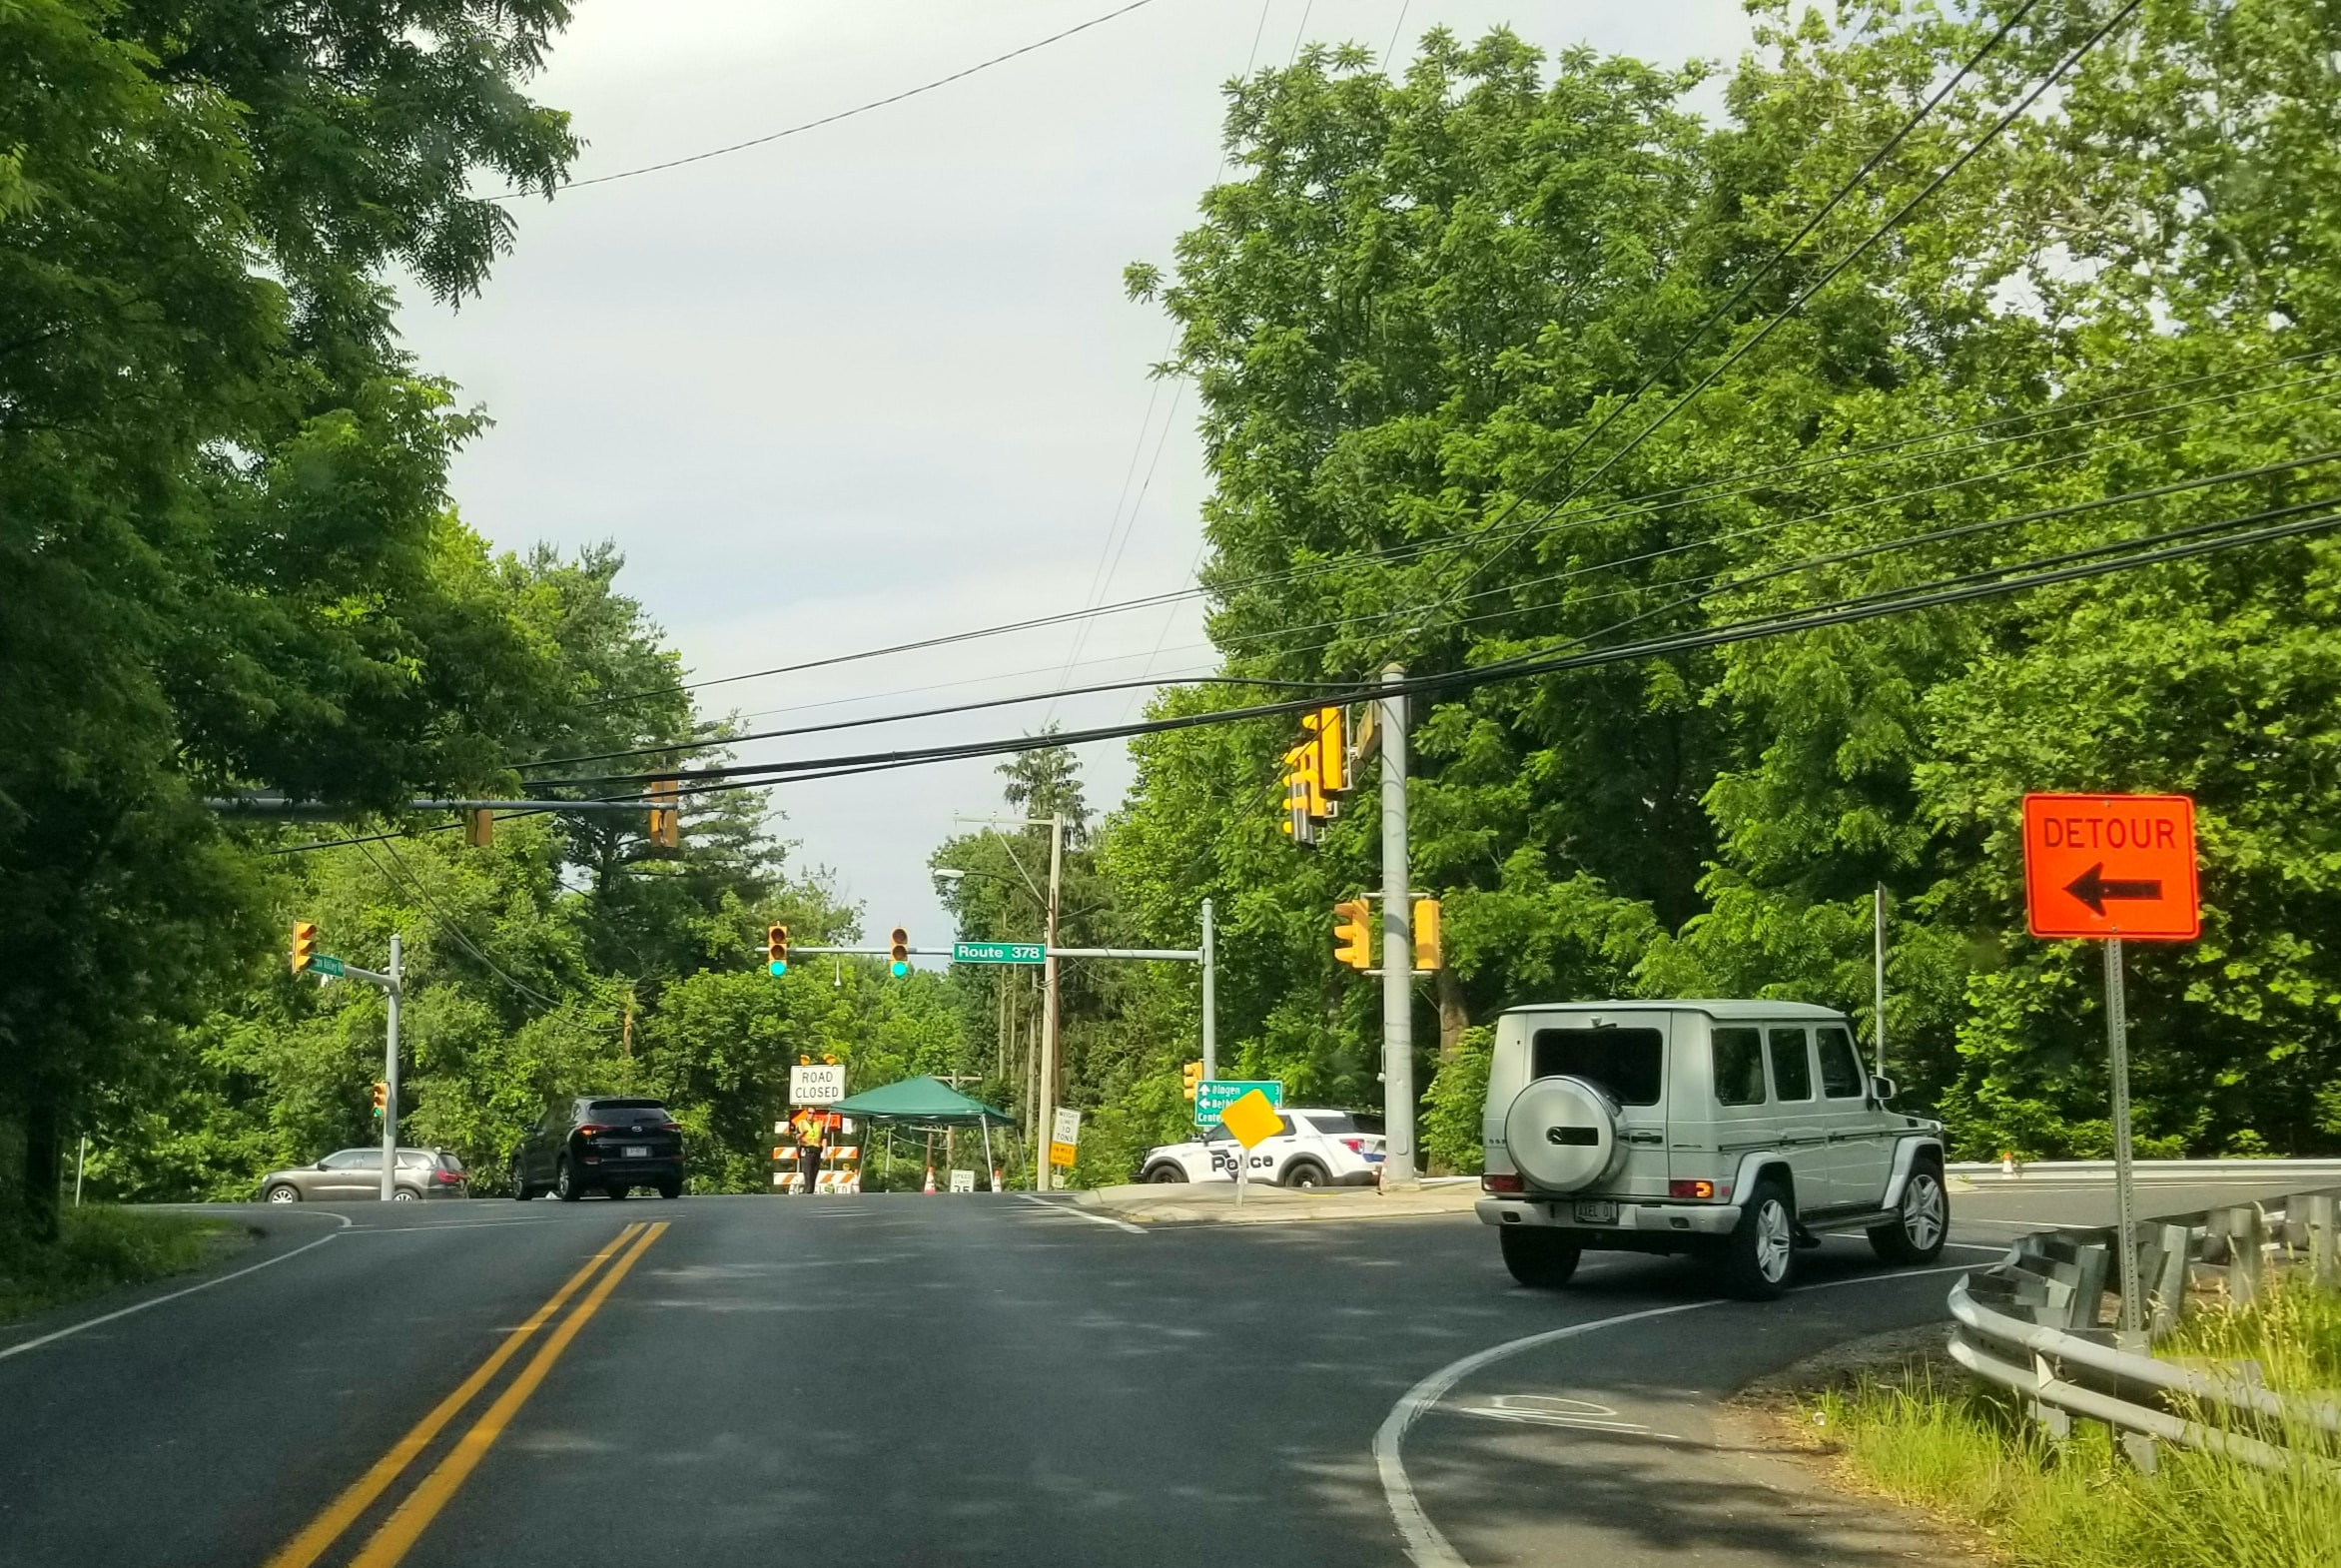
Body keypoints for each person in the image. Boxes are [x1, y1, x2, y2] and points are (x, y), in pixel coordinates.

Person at [796, 1115, 825, 1195]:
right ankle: (807, 1192)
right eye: (809, 1113)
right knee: (808, 1172)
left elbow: (823, 1138)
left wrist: (825, 1151)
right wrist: (803, 1133)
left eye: (813, 1113)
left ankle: (810, 1191)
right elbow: (796, 1137)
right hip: (806, 1151)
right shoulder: (801, 1124)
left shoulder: (818, 1124)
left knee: (814, 1172)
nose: (811, 1115)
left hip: (817, 1151)